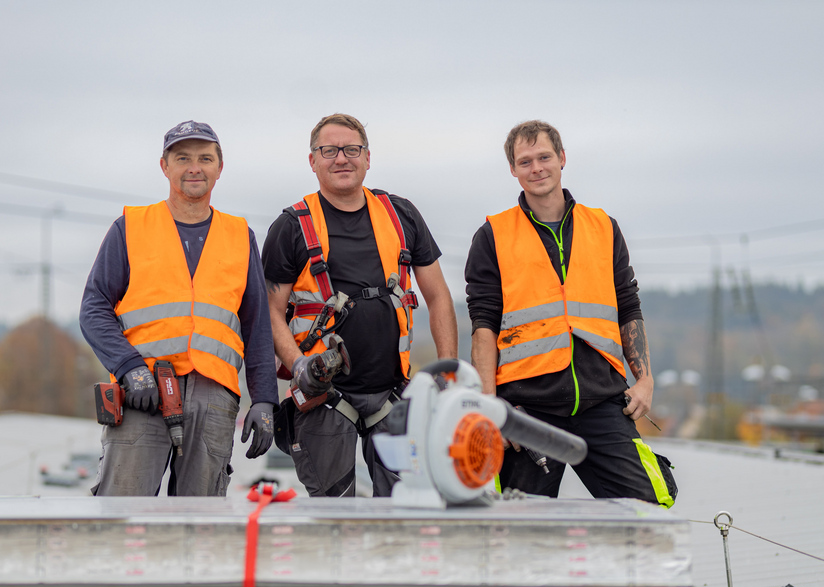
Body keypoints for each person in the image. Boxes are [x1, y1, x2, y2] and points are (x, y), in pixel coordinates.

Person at [465, 119, 675, 507]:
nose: (537, 168)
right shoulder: (493, 235)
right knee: (517, 528)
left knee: (645, 510)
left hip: (602, 402)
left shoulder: (603, 228)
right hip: (526, 411)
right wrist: (491, 407)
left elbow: (628, 307)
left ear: (562, 159)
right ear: (512, 169)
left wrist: (644, 381)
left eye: (544, 157)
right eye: (525, 161)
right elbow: (483, 328)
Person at [263, 113, 458, 497]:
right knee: (333, 517)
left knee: (408, 508)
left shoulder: (401, 215)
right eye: (329, 150)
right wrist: (299, 365)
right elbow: (269, 311)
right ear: (313, 161)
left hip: (394, 397)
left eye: (352, 149)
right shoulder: (291, 227)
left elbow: (438, 297)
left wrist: (447, 372)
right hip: (322, 398)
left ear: (367, 158)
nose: (341, 159)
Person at [80, 120, 278, 496]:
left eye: (205, 158)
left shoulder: (240, 236)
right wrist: (130, 369)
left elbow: (257, 326)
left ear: (220, 168)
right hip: (143, 392)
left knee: (202, 522)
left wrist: (266, 400)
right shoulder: (130, 228)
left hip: (215, 395)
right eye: (182, 157)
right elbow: (93, 308)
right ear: (164, 166)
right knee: (124, 511)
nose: (194, 167)